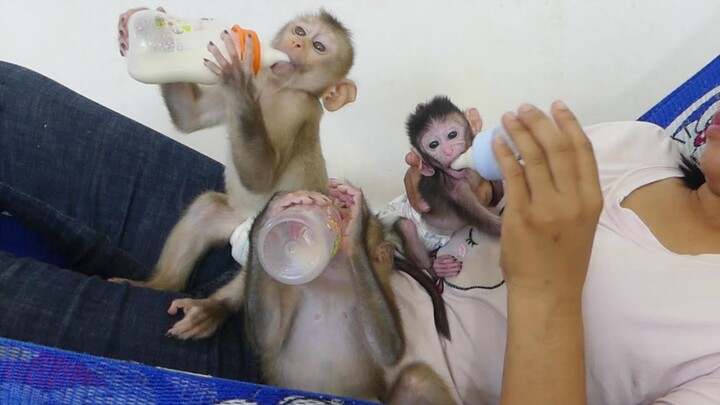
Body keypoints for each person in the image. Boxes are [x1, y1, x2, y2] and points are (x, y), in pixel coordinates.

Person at [0, 60, 597, 404]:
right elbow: (468, 195)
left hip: (328, 366)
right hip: (299, 251)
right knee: (13, 103)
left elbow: (352, 338)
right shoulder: (642, 144)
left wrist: (547, 286)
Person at [398, 102, 720, 404]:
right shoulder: (639, 145)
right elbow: (485, 195)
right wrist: (442, 189)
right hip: (387, 275)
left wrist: (545, 290)